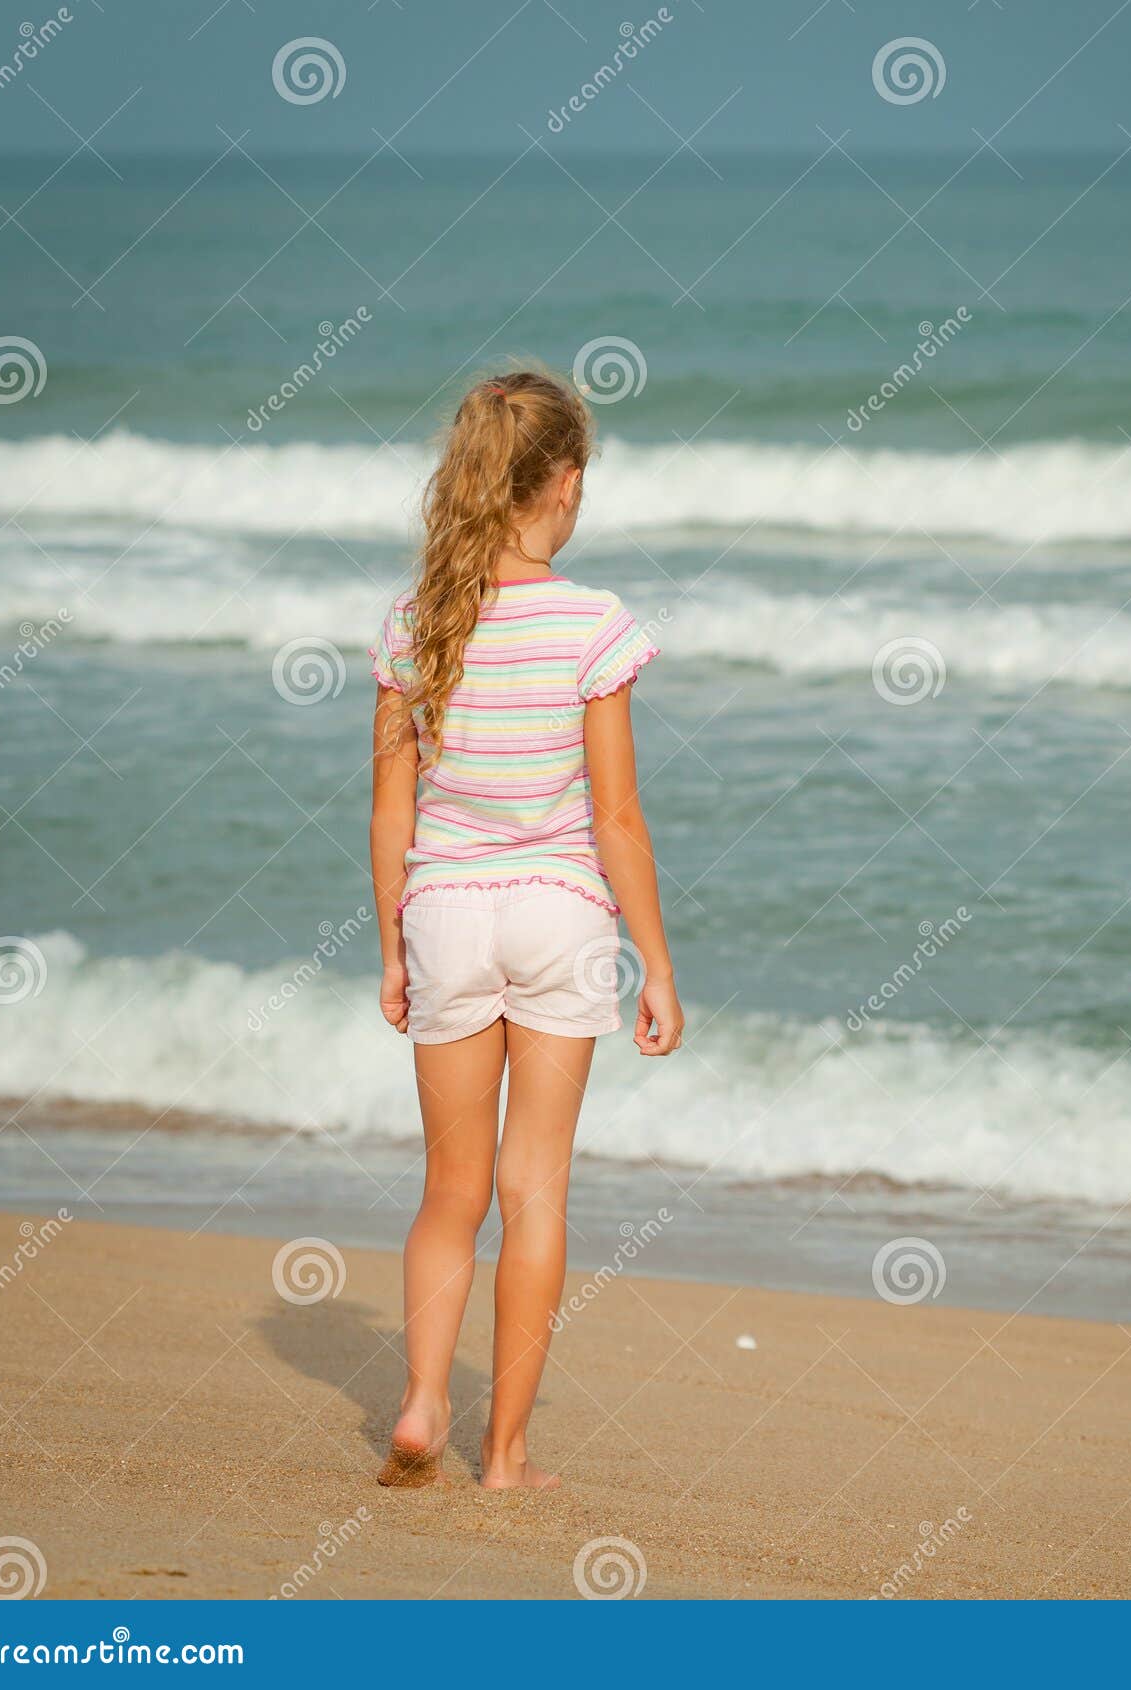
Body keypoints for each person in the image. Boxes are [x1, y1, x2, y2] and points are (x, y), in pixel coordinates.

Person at [368, 369, 683, 1491]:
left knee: (447, 1191)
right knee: (532, 1189)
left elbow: (390, 809)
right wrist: (656, 963)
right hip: (558, 914)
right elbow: (616, 817)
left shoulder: (418, 623)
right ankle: (502, 1456)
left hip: (446, 911)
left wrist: (395, 946)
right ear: (566, 482)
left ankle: (417, 1398)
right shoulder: (593, 624)